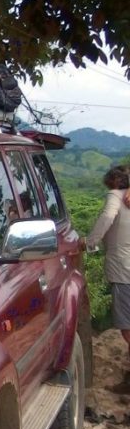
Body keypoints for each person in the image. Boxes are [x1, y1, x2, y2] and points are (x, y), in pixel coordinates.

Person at [86, 165, 130, 391]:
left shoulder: (116, 196)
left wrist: (90, 241)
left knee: (127, 327)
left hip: (124, 270)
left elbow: (107, 217)